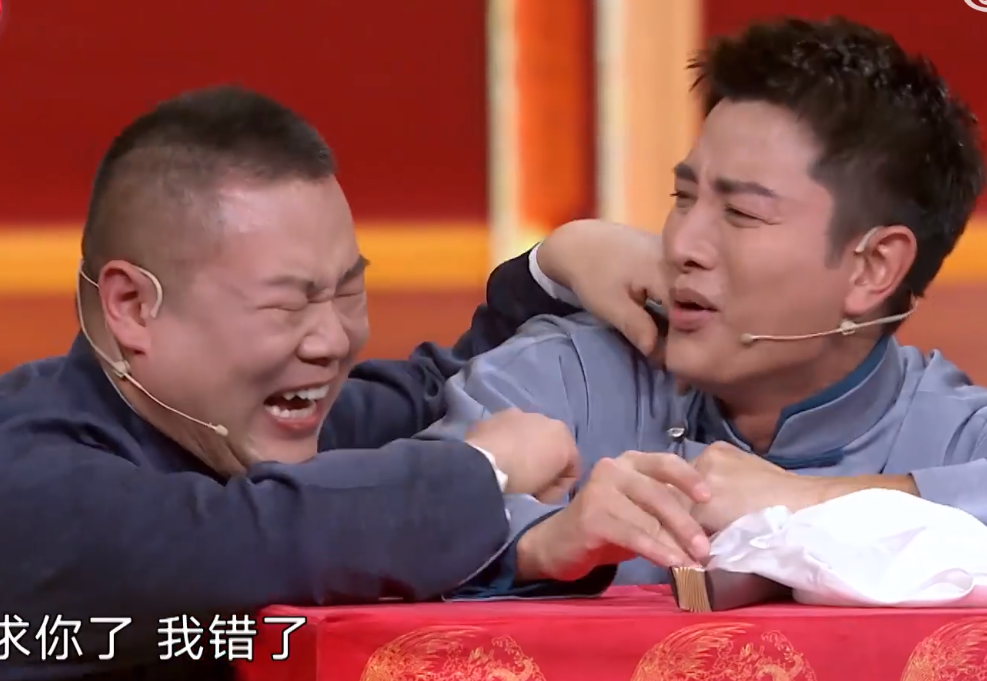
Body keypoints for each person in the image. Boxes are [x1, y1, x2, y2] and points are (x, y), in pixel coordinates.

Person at [0, 86, 670, 681]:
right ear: (133, 306)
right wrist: (484, 472)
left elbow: (439, 389)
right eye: (286, 305)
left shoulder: (261, 418)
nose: (331, 340)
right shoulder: (28, 478)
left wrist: (555, 266)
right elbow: (250, 536)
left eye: (347, 293)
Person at [422, 17, 987, 591]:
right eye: (683, 197)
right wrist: (540, 547)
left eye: (741, 213)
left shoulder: (955, 437)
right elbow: (395, 522)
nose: (681, 245)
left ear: (873, 267)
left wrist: (812, 502)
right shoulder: (561, 382)